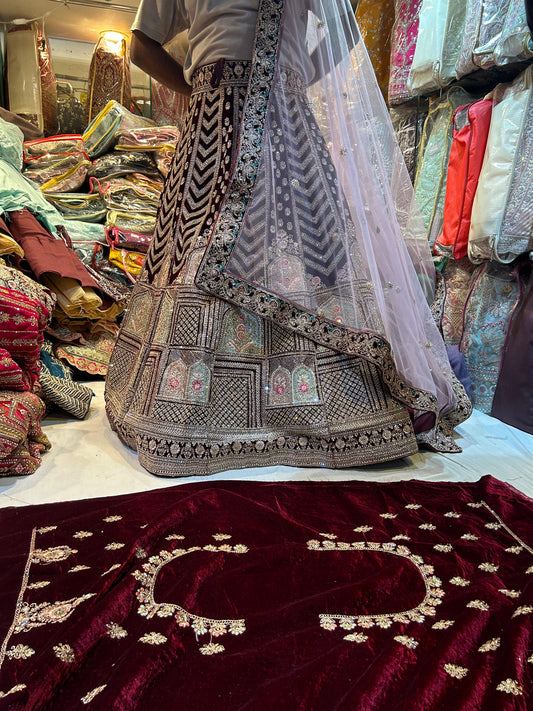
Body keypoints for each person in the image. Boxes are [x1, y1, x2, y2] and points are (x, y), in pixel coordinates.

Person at [105, 0, 471, 478]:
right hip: (214, 121)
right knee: (200, 251)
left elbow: (345, 37)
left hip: (288, 128)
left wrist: (288, 80)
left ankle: (324, 410)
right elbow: (142, 43)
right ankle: (186, 415)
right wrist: (198, 88)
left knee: (310, 257)